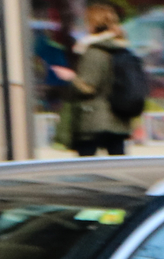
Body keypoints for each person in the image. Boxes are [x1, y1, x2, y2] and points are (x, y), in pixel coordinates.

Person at [51, 2, 137, 158]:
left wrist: (70, 77)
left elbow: (88, 87)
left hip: (94, 121)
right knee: (118, 165)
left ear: (92, 23)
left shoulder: (95, 51)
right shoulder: (120, 48)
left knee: (86, 167)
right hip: (118, 120)